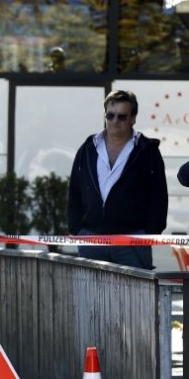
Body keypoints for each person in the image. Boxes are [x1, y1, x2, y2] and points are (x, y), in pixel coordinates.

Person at [67, 90, 168, 269]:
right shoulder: (88, 148)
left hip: (133, 241)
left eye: (122, 117)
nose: (115, 121)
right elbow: (74, 191)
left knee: (137, 296)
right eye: (110, 115)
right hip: (91, 240)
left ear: (133, 118)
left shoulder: (147, 150)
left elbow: (159, 197)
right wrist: (78, 229)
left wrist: (148, 233)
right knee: (90, 296)